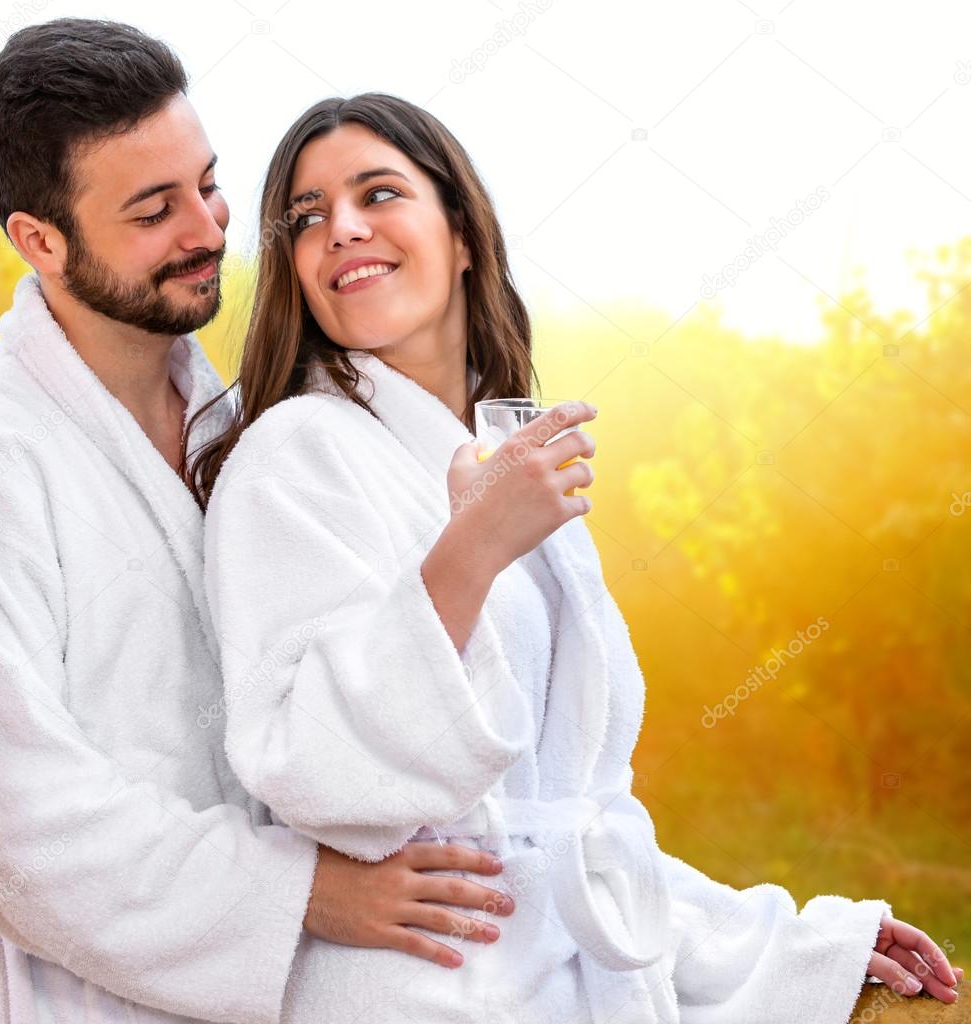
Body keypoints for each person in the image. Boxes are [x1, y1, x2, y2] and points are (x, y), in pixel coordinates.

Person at [193, 93, 963, 1023]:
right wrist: (472, 548)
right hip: (416, 988)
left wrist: (795, 947)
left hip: (556, 984)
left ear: (463, 231)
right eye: (307, 219)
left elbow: (575, 824)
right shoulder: (293, 457)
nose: (342, 230)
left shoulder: (502, 460)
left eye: (378, 193)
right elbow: (308, 765)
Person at [0, 21, 515, 1024]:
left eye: (206, 183)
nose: (208, 227)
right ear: (39, 239)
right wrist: (303, 893)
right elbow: (6, 823)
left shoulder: (241, 427)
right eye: (153, 210)